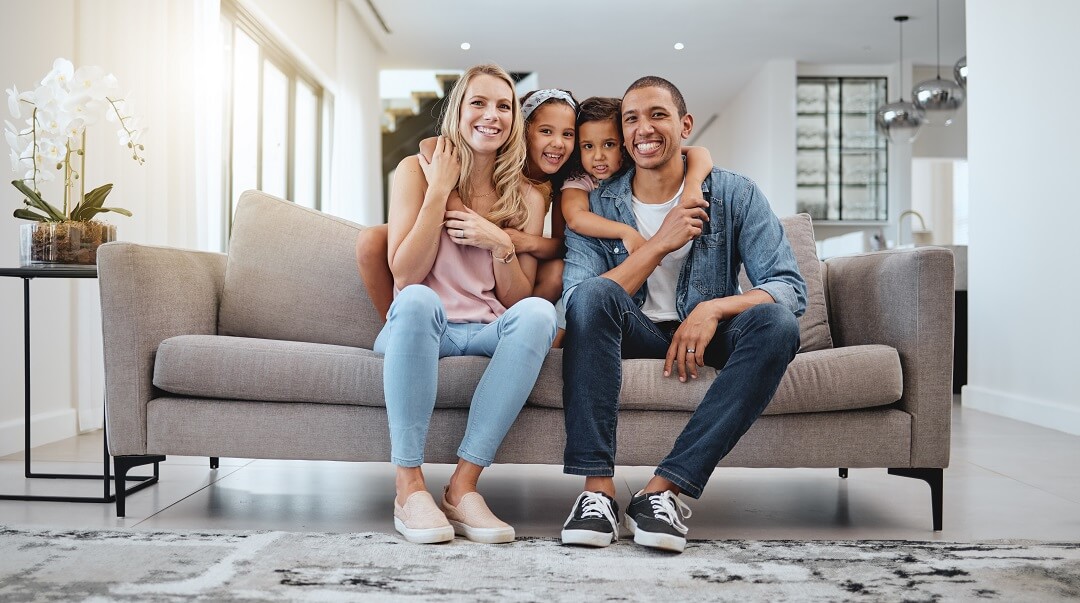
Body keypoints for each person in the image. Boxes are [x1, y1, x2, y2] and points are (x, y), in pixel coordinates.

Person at [558, 76, 807, 553]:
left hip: (707, 335)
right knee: (592, 297)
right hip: (634, 332)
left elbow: (788, 288)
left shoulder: (734, 193)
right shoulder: (598, 204)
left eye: (657, 115)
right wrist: (657, 245)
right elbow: (577, 301)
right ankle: (597, 495)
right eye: (631, 119)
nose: (643, 129)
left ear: (684, 125)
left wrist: (713, 309)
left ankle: (662, 492)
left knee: (777, 324)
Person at [374, 63, 557, 545]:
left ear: (515, 119)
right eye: (479, 102)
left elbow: (516, 297)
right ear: (458, 110)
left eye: (504, 106)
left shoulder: (529, 194)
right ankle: (408, 487)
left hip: (486, 327)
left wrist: (500, 243)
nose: (491, 115)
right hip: (423, 324)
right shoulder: (414, 170)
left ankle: (462, 487)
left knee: (540, 311)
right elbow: (405, 272)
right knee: (415, 298)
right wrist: (438, 192)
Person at [355, 89, 578, 322]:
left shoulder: (558, 182)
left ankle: (510, 324)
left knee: (555, 273)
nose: (557, 144)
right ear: (521, 130)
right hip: (466, 223)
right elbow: (429, 146)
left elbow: (567, 245)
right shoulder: (497, 151)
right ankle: (396, 326)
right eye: (545, 131)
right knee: (372, 240)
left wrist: (526, 242)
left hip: (510, 245)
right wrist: (455, 205)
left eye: (568, 134)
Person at [561, 96, 715, 255]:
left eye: (609, 144)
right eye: (588, 146)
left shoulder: (637, 161)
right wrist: (625, 232)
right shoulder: (580, 179)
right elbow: (575, 218)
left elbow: (699, 152)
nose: (598, 156)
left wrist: (692, 184)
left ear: (625, 142)